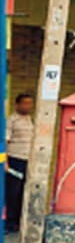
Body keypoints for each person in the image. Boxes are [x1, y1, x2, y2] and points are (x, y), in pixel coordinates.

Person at [5, 93, 33, 234]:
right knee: (13, 192)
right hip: (15, 159)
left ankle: (21, 222)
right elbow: (4, 142)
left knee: (24, 192)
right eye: (24, 103)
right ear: (17, 105)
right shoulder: (12, 120)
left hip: (28, 160)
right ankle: (11, 222)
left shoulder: (30, 119)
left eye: (30, 103)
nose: (27, 106)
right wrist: (4, 163)